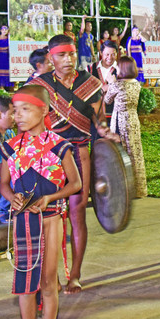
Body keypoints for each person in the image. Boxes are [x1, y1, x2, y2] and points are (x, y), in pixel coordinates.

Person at [0, 85, 82, 319]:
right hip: (23, 221)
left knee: (47, 282)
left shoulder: (59, 146)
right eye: (14, 110)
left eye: (25, 109)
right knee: (25, 283)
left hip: (50, 220)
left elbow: (76, 184)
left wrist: (49, 197)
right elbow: (4, 184)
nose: (17, 115)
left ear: (43, 110)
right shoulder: (11, 147)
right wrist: (13, 198)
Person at [32, 34, 117, 294]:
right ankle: (51, 276)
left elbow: (98, 121)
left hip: (80, 152)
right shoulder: (40, 86)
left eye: (70, 54)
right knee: (49, 216)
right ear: (50, 56)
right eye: (61, 55)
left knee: (77, 212)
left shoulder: (90, 83)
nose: (67, 59)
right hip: (50, 157)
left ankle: (76, 274)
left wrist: (106, 133)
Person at [105, 57, 147, 198]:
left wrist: (111, 83)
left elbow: (107, 100)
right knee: (135, 153)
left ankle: (123, 189)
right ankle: (138, 188)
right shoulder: (136, 84)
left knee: (121, 153)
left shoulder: (118, 85)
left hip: (120, 122)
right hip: (133, 120)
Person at [91, 40, 119, 123]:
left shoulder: (122, 70)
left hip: (115, 117)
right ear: (101, 53)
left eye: (113, 54)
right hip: (94, 117)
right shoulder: (90, 69)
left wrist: (113, 86)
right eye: (107, 54)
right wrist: (102, 89)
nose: (110, 57)